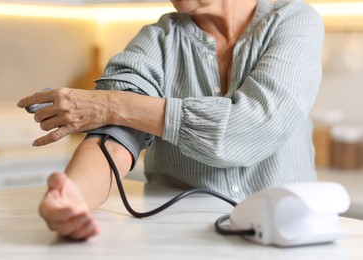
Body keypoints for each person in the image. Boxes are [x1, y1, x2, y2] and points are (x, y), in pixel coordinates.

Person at [17, 0, 324, 240]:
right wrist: (73, 199)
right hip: (183, 237)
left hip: (288, 233)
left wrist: (109, 103)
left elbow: (255, 126)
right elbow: (115, 136)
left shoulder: (294, 21)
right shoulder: (156, 40)